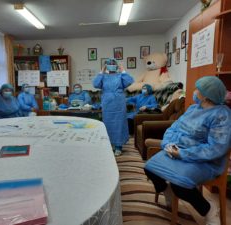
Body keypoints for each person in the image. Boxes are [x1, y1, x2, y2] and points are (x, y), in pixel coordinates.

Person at [144, 76, 231, 225]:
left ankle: (209, 210)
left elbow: (215, 148)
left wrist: (183, 153)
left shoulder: (221, 115)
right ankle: (167, 191)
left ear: (206, 95)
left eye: (198, 89)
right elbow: (174, 127)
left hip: (205, 161)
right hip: (177, 152)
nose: (195, 91)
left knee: (180, 184)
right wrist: (168, 145)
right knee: (150, 168)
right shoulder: (193, 108)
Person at [93, 58, 134, 156]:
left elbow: (130, 81)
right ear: (106, 66)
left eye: (113, 64)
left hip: (119, 102)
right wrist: (101, 72)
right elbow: (95, 84)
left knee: (119, 123)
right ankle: (110, 145)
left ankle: (119, 147)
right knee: (108, 124)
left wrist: (123, 70)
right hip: (107, 103)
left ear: (116, 65)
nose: (111, 65)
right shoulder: (103, 76)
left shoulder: (120, 76)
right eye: (109, 64)